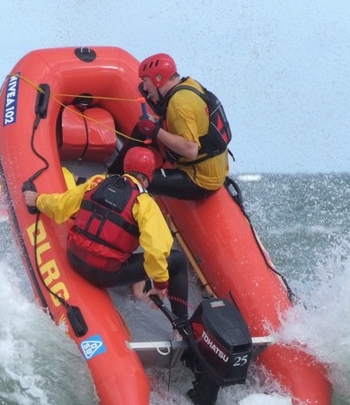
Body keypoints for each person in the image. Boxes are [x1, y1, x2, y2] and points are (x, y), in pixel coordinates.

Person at [22, 147, 190, 323]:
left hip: (75, 258)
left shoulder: (97, 181)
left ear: (126, 168)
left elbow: (62, 205)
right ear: (148, 178)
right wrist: (161, 285)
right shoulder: (145, 202)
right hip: (104, 275)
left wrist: (37, 199)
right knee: (177, 260)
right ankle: (181, 325)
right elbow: (157, 250)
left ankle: (135, 284)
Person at [133, 53, 232, 201]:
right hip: (213, 170)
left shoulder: (179, 103)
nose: (145, 88)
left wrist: (155, 130)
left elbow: (190, 150)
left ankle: (116, 181)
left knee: (135, 178)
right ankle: (112, 174)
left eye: (145, 80)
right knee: (141, 128)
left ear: (158, 78)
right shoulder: (188, 85)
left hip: (200, 181)